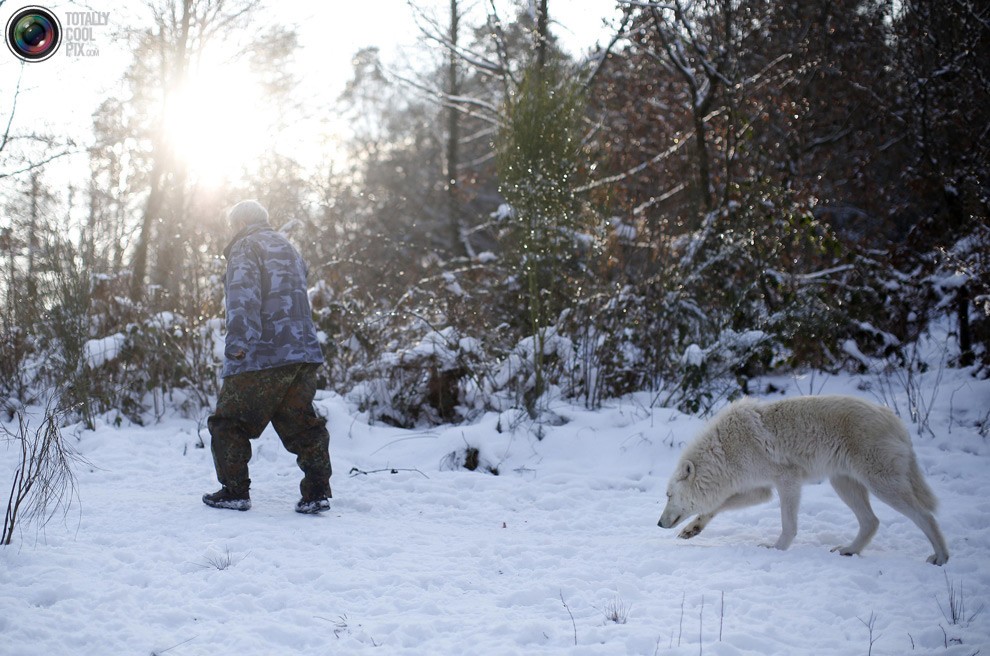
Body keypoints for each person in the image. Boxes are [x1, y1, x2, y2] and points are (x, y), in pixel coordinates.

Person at [203, 199, 333, 514]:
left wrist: (239, 342)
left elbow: (243, 297)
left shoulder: (246, 246)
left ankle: (234, 491)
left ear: (239, 224)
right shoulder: (289, 248)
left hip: (263, 353)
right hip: (301, 351)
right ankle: (316, 492)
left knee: (228, 422)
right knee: (302, 424)